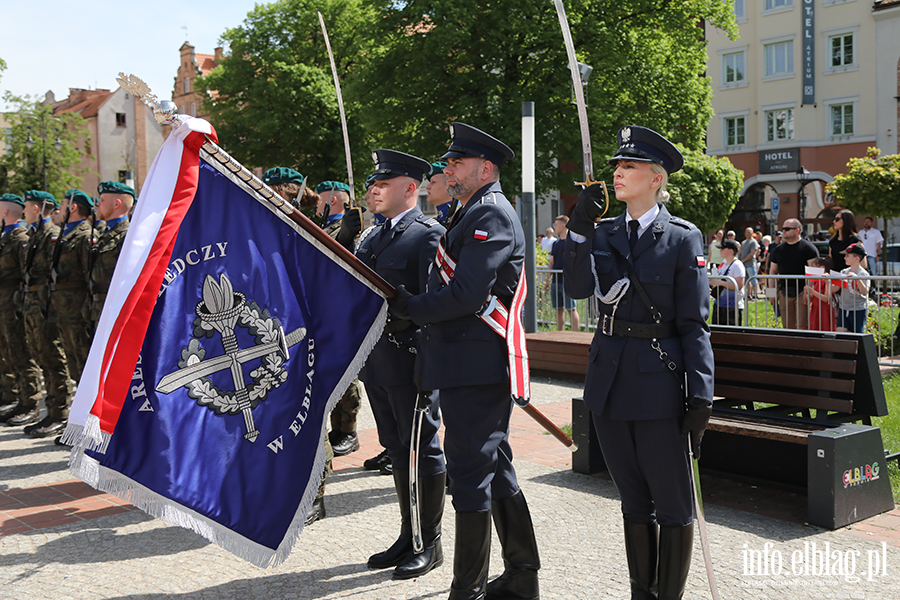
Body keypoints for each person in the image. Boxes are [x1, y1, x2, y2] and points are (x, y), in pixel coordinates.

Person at [389, 123, 541, 600]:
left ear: (485, 168)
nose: (448, 170)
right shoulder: (469, 211)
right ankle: (521, 575)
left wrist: (409, 307)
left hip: (477, 365)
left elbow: (466, 294)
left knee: (470, 477)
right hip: (462, 361)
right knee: (494, 468)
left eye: (456, 163)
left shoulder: (491, 214)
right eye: (449, 163)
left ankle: (467, 589)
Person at [564, 125, 714, 600]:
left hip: (659, 386)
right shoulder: (603, 232)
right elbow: (578, 289)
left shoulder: (682, 238)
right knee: (632, 501)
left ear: (656, 177)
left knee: (672, 504)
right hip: (608, 384)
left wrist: (702, 392)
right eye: (617, 166)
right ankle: (640, 593)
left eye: (629, 166)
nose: (618, 173)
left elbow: (694, 325)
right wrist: (578, 230)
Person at [356, 149, 447, 580]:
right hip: (377, 360)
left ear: (410, 188)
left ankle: (429, 541)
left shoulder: (428, 234)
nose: (373, 189)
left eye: (383, 183)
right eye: (373, 183)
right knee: (397, 450)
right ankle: (407, 532)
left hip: (411, 359)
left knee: (421, 449)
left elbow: (432, 303)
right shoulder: (371, 238)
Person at [14, 191, 71, 435]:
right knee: (41, 357)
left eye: (26, 207)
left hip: (45, 306)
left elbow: (53, 274)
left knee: (52, 358)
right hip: (33, 304)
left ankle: (61, 414)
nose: (23, 212)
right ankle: (51, 412)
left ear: (37, 209)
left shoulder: (52, 236)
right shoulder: (36, 235)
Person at [0, 194, 42, 425]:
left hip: (13, 304)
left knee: (20, 353)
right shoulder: (4, 237)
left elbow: (26, 273)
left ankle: (31, 403)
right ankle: (11, 396)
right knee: (6, 353)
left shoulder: (21, 238)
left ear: (6, 213)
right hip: (3, 304)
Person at [89, 182, 134, 327]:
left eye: (102, 200)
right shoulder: (105, 234)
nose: (97, 204)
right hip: (100, 311)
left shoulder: (129, 235)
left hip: (117, 314)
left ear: (116, 204)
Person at [769, 219, 819, 330]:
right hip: (784, 292)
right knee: (787, 326)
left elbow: (814, 271)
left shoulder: (809, 248)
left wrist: (809, 291)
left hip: (803, 292)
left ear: (797, 230)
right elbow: (772, 271)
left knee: (803, 326)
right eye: (782, 229)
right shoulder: (778, 250)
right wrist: (771, 292)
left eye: (787, 229)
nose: (784, 231)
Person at [546, 215, 580, 331]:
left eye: (556, 225)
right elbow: (552, 261)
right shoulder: (555, 243)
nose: (554, 227)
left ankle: (576, 335)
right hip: (556, 281)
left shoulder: (572, 243)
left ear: (563, 225)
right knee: (558, 308)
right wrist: (548, 279)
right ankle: (560, 333)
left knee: (571, 309)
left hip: (568, 281)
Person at [836, 242, 870, 333]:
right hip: (844, 307)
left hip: (858, 309)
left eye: (847, 255)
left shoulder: (863, 274)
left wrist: (857, 279)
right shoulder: (844, 271)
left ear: (857, 258)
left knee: (856, 334)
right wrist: (828, 279)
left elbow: (865, 292)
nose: (844, 258)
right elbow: (835, 289)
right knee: (840, 331)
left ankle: (857, 348)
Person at [711, 238, 745, 326]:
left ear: (730, 251)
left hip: (732, 307)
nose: (720, 251)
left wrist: (720, 283)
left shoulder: (737, 265)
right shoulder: (723, 263)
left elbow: (739, 285)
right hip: (719, 304)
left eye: (723, 249)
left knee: (732, 336)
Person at [804, 256, 835, 332]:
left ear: (822, 268)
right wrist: (808, 293)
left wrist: (812, 291)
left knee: (825, 328)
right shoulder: (816, 280)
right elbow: (812, 299)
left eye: (814, 267)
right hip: (816, 309)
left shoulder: (827, 280)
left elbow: (826, 298)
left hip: (824, 310)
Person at [425, 160, 454, 225]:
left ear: (450, 185)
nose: (427, 187)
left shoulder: (463, 217)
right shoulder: (437, 220)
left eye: (433, 182)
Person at [740, 227, 759, 300]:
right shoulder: (743, 242)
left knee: (753, 280)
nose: (747, 233)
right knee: (746, 281)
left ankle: (755, 295)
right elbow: (740, 252)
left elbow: (752, 254)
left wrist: (743, 260)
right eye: (746, 232)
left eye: (749, 232)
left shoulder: (753, 242)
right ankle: (748, 295)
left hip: (750, 264)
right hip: (743, 264)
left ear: (752, 233)